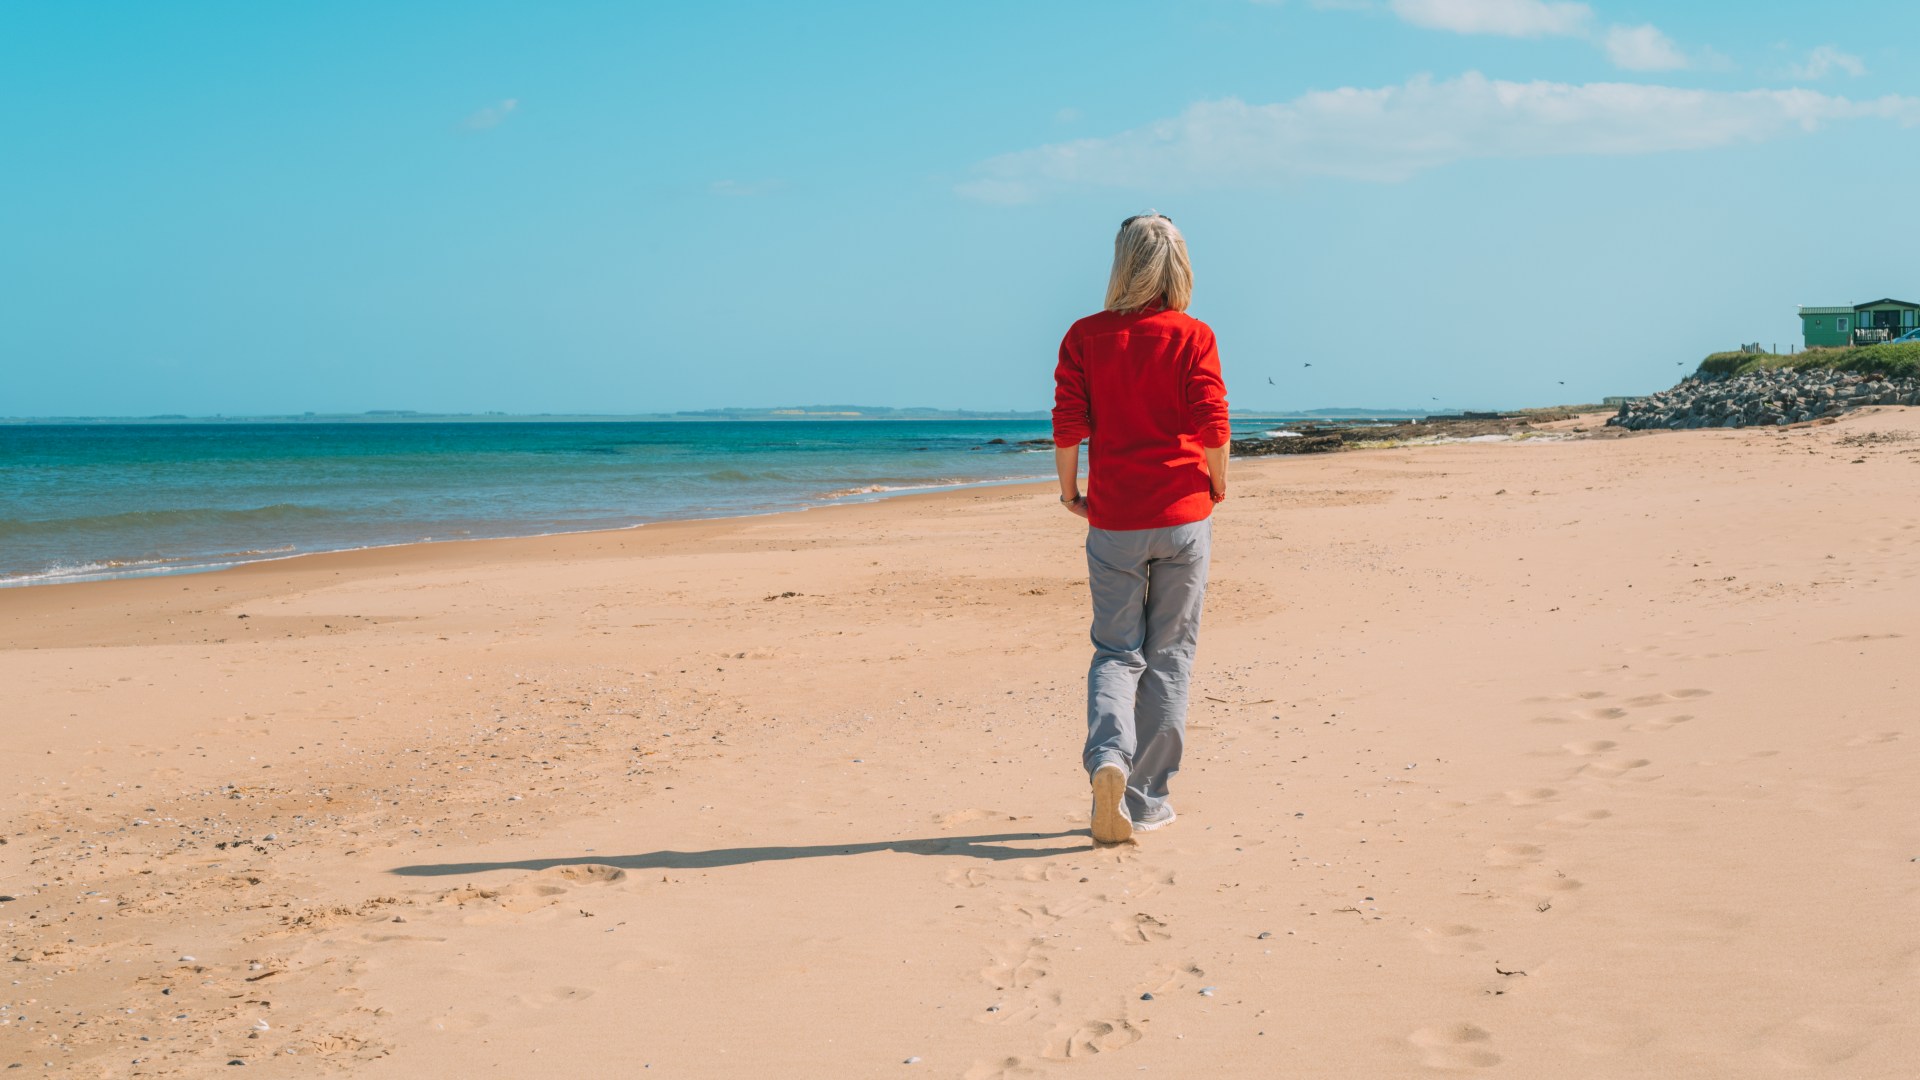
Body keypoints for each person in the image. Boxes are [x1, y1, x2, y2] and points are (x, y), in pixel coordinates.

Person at [1052, 212, 1229, 845]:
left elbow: (1069, 421)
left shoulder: (1084, 336)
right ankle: (1146, 798)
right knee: (1170, 656)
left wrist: (1071, 490)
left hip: (1116, 518)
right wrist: (1217, 482)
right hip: (1183, 515)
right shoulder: (1193, 335)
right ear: (1178, 265)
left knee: (1115, 651)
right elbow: (1213, 420)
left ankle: (1107, 761)